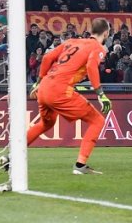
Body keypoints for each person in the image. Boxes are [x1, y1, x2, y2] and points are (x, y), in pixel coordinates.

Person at [27, 18, 113, 174]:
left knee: (45, 124)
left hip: (44, 86)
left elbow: (47, 58)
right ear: (106, 33)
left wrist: (37, 82)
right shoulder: (98, 47)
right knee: (97, 121)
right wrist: (100, 93)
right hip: (60, 90)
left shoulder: (72, 41)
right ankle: (80, 166)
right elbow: (91, 66)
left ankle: (11, 156)